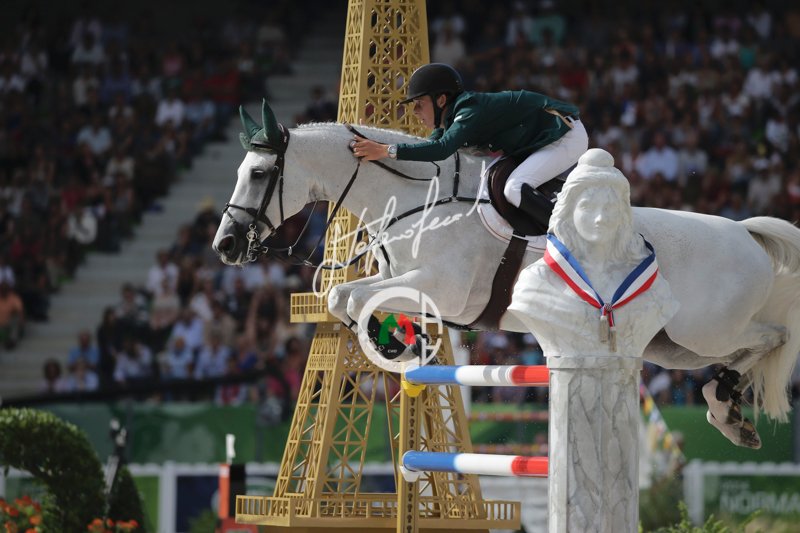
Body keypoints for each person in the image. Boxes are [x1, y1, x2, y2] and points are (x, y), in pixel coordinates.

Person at [351, 63, 588, 232]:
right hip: (539, 142)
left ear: (441, 100)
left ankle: (568, 237)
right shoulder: (450, 119)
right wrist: (375, 139)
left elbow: (441, 150)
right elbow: (426, 148)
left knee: (514, 188)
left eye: (419, 104)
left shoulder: (469, 110)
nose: (415, 112)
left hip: (563, 135)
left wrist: (385, 150)